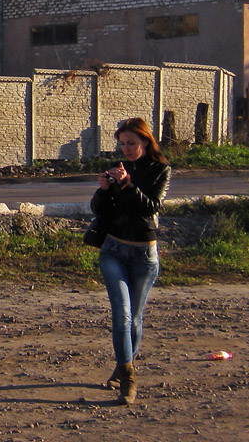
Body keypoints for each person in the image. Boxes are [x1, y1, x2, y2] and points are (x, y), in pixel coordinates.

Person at [90, 117, 171, 406]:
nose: (126, 149)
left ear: (146, 142)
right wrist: (103, 189)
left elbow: (151, 207)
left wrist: (126, 185)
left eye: (132, 143)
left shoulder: (160, 170)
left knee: (134, 318)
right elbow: (100, 209)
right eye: (122, 143)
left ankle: (124, 362)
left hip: (143, 255)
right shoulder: (117, 169)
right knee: (121, 314)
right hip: (113, 249)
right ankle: (128, 376)